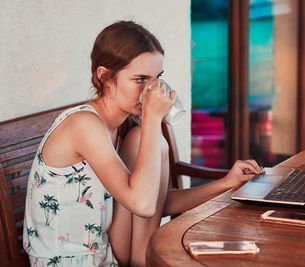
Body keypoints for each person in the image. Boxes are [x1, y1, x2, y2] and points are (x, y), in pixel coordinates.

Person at [23, 20, 264, 267]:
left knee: (146, 142)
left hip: (108, 256)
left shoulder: (121, 129)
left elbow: (155, 202)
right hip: (72, 262)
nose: (151, 89)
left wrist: (225, 183)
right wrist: (151, 120)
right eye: (140, 79)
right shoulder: (84, 124)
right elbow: (143, 205)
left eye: (156, 78)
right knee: (148, 141)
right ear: (105, 77)